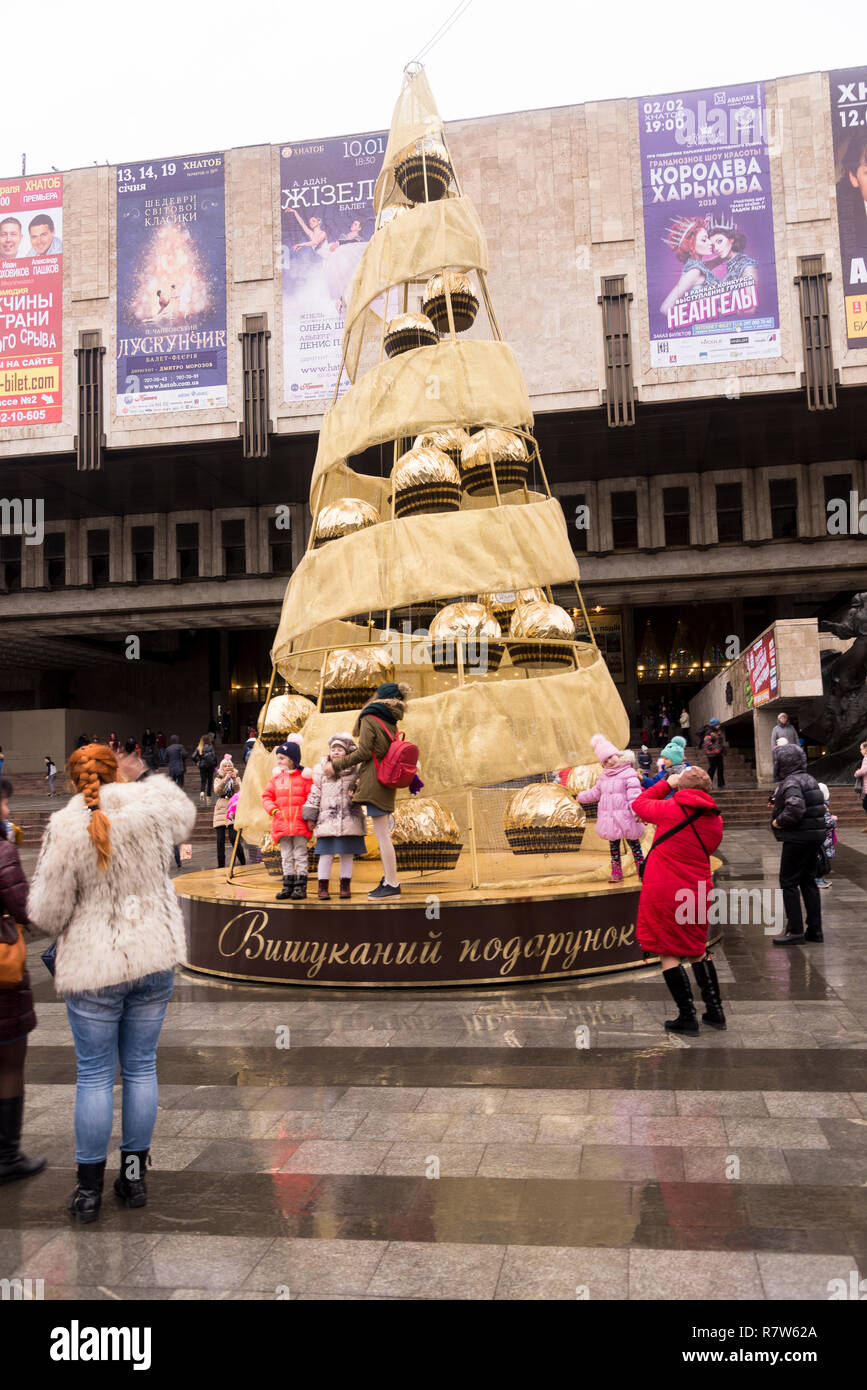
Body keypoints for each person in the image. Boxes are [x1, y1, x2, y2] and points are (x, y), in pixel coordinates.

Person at [27, 744, 196, 1222]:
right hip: (152, 960)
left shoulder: (65, 826)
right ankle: (134, 1179)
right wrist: (139, 779)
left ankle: (87, 1193)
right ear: (115, 771)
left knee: (95, 1076)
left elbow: (46, 913)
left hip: (95, 967)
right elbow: (182, 809)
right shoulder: (151, 810)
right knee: (141, 1067)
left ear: (73, 780)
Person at [633, 765, 725, 1033]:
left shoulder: (670, 810)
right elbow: (708, 848)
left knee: (669, 951)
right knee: (697, 948)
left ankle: (687, 1016)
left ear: (681, 787)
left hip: (666, 891)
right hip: (697, 890)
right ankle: (715, 1012)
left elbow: (639, 804)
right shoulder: (715, 819)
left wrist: (665, 783)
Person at [0, 777, 45, 1185]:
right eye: (3, 804)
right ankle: (7, 1155)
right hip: (2, 977)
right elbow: (22, 905)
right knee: (9, 1065)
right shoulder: (2, 851)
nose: (8, 811)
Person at [330, 681, 412, 900]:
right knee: (383, 833)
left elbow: (364, 753)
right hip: (385, 780)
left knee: (383, 835)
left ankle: (392, 883)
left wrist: (335, 764)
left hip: (376, 781)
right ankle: (389, 878)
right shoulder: (391, 720)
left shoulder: (370, 718)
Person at [770, 743, 827, 947]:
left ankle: (795, 931)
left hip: (798, 839)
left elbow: (796, 807)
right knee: (808, 882)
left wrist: (777, 822)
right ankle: (815, 929)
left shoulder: (792, 781)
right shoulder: (809, 779)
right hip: (812, 838)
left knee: (788, 883)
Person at [303, 732, 366, 900]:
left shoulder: (355, 771)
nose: (336, 752)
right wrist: (311, 815)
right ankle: (322, 886)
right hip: (327, 820)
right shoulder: (321, 771)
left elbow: (362, 788)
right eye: (333, 749)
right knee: (326, 854)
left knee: (347, 854)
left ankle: (345, 885)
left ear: (347, 753)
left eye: (340, 749)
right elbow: (315, 793)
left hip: (349, 819)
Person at [575, 734, 646, 883]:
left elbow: (634, 795)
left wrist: (637, 812)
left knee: (634, 845)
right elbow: (595, 792)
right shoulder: (604, 777)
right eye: (605, 761)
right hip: (611, 820)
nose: (609, 762)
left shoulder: (629, 773)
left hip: (627, 818)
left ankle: (642, 871)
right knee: (614, 848)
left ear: (617, 754)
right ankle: (616, 872)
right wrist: (581, 796)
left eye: (610, 757)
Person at [262, 742, 313, 900]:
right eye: (278, 758)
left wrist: (310, 817)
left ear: (292, 759)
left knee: (300, 854)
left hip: (299, 823)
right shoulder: (276, 779)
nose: (278, 762)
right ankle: (287, 885)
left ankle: (300, 885)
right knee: (286, 855)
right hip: (282, 823)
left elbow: (311, 798)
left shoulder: (305, 778)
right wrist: (273, 810)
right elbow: (267, 796)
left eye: (282, 758)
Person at [660, 216, 719, 317]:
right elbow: (665, 309)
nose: (710, 243)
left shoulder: (699, 267)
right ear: (690, 245)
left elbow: (711, 264)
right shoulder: (694, 272)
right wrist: (692, 317)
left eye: (708, 238)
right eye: (704, 240)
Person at [213, 756, 245, 870]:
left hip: (233, 808)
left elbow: (240, 791)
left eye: (229, 766)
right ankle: (220, 865)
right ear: (222, 768)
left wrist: (235, 780)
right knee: (220, 840)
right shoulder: (218, 778)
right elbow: (217, 791)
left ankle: (242, 860)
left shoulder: (237, 777)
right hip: (221, 808)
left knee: (233, 838)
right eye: (225, 766)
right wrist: (225, 779)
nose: (227, 768)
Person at [814, 782, 837, 890]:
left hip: (820, 837)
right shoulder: (823, 806)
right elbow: (827, 822)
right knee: (822, 859)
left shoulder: (815, 805)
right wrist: (833, 819)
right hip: (824, 839)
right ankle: (819, 880)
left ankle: (821, 878)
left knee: (821, 858)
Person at [702, 717, 727, 788]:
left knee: (720, 768)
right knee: (712, 768)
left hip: (719, 753)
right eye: (718, 724)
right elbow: (707, 743)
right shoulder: (709, 732)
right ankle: (708, 784)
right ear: (714, 725)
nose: (719, 726)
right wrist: (714, 749)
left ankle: (721, 784)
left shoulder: (717, 731)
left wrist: (722, 749)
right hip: (711, 754)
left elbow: (719, 741)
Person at [193, 734, 217, 804]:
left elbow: (193, 756)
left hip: (202, 766)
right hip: (210, 766)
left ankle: (202, 792)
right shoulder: (211, 747)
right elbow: (214, 756)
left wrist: (197, 762)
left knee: (203, 781)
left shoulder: (199, 747)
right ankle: (208, 798)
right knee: (209, 781)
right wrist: (215, 765)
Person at [854, 740, 867, 833]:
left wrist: (856, 772)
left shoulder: (866, 758)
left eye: (861, 749)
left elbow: (863, 771)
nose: (860, 751)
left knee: (866, 805)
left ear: (866, 749)